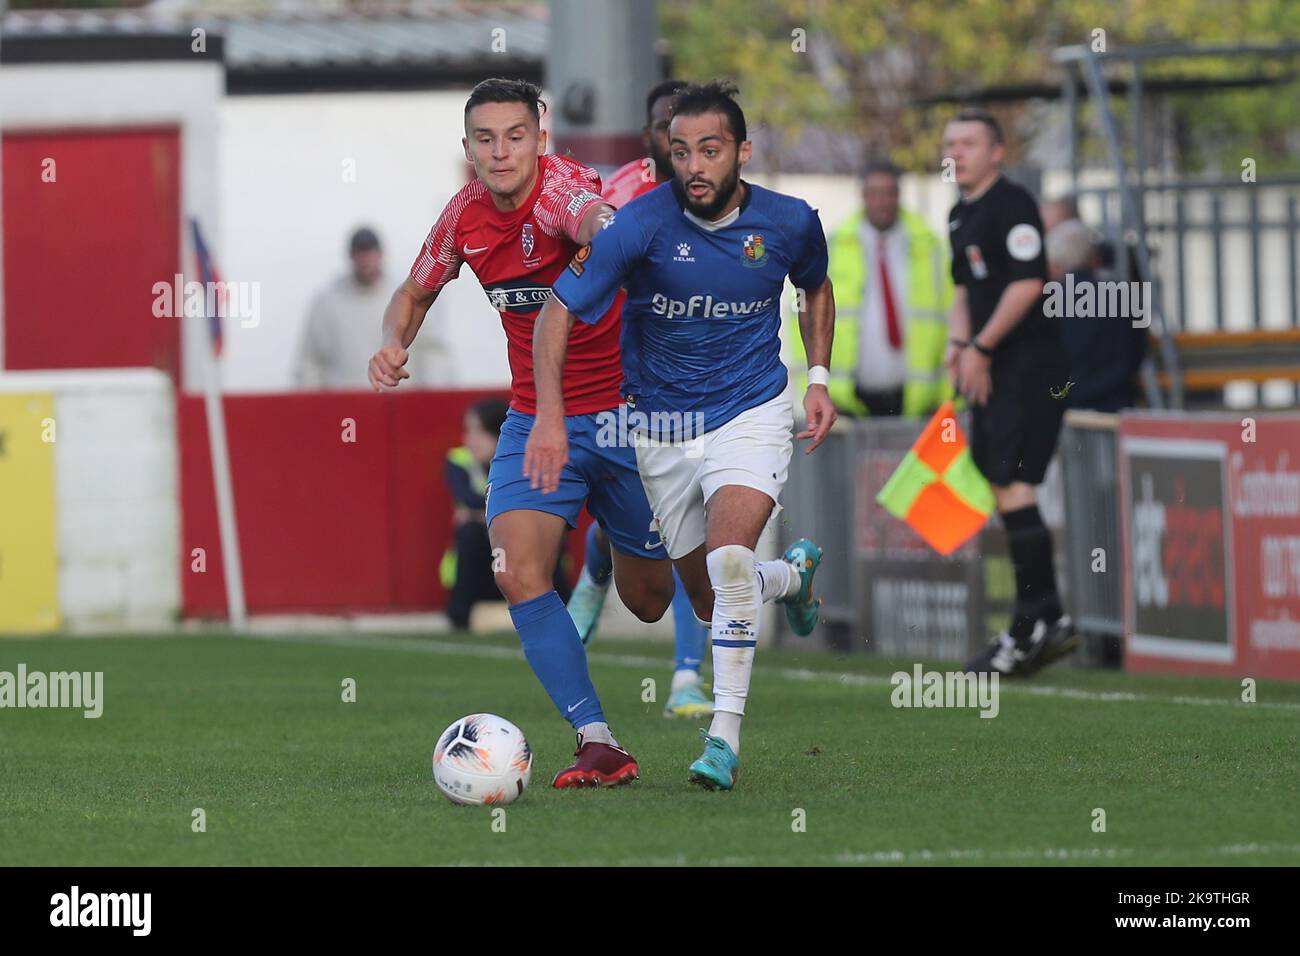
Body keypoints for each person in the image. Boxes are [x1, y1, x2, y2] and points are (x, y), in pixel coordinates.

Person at [368, 78, 677, 789]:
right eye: (485, 138)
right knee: (515, 567)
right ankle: (596, 738)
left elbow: (596, 216)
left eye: (515, 135)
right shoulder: (463, 217)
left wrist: (609, 232)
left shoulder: (563, 193)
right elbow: (414, 292)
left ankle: (619, 549)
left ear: (540, 136)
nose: (501, 152)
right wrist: (392, 342)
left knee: (651, 599)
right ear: (469, 147)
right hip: (537, 418)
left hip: (629, 415)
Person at [529, 81, 833, 791]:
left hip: (751, 410)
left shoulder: (789, 221)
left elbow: (814, 285)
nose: (694, 164)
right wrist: (548, 412)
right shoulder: (637, 225)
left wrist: (817, 376)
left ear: (742, 152)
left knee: (728, 562)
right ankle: (790, 578)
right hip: (662, 423)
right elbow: (558, 309)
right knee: (699, 596)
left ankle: (722, 738)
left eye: (710, 149)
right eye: (681, 151)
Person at [564, 78, 716, 721]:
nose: (677, 143)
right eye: (666, 128)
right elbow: (580, 277)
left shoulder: (721, 202)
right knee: (648, 520)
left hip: (700, 382)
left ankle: (686, 676)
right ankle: (599, 561)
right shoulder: (615, 194)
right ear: (651, 134)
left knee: (691, 521)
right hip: (623, 383)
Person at [942, 108, 1078, 677]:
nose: (957, 153)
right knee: (1002, 482)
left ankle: (1038, 620)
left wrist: (982, 346)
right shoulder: (959, 215)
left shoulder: (1013, 205)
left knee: (1015, 483)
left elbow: (1028, 284)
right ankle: (1037, 619)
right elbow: (965, 289)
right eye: (950, 144)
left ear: (997, 151)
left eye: (969, 143)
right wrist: (957, 342)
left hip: (1028, 368)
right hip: (992, 366)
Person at [787, 159, 953, 417]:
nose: (882, 201)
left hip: (919, 402)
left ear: (899, 196)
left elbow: (951, 315)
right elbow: (803, 317)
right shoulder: (832, 247)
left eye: (889, 193)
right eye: (874, 193)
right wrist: (811, 384)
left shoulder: (930, 248)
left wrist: (947, 393)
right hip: (846, 401)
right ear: (862, 196)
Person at [441, 397, 571, 630]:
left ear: (498, 432)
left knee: (546, 529)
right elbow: (468, 498)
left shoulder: (522, 460)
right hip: (482, 569)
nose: (469, 439)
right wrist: (508, 515)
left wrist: (486, 515)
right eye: (467, 431)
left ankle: (563, 606)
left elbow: (539, 504)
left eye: (478, 431)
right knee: (470, 531)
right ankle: (459, 614)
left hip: (521, 559)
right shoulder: (459, 460)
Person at [295, 228, 449, 389]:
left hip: (398, 404)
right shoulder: (328, 302)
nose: (365, 260)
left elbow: (433, 352)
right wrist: (311, 406)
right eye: (359, 253)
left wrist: (432, 397)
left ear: (381, 254)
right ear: (351, 256)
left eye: (369, 253)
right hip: (345, 405)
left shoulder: (406, 297)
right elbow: (310, 362)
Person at [1045, 218, 1147, 412]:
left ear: (1055, 263)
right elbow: (1138, 352)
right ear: (1094, 257)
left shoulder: (1048, 301)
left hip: (1068, 408)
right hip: (1117, 404)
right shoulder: (1124, 296)